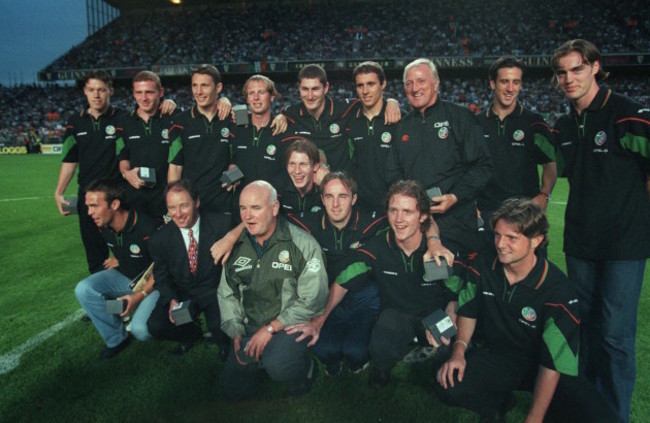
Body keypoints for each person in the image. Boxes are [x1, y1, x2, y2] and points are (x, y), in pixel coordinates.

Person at [551, 39, 650, 423]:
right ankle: (587, 410)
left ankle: (614, 416)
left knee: (615, 336)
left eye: (576, 69)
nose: (568, 79)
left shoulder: (626, 113)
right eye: (562, 73)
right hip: (579, 242)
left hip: (623, 245)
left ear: (595, 67)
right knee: (586, 331)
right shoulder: (564, 124)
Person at [301, 180, 458, 387]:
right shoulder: (376, 247)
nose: (399, 219)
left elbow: (455, 294)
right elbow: (343, 282)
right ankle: (381, 369)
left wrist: (449, 317)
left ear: (422, 216)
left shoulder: (437, 251)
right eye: (393, 210)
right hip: (396, 314)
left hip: (432, 313)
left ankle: (436, 365)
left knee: (450, 347)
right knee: (381, 345)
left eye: (407, 212)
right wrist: (319, 320)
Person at [217, 180, 328, 399]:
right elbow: (226, 292)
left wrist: (270, 329)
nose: (248, 216)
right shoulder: (237, 246)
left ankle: (305, 370)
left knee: (279, 366)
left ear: (275, 208)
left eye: (256, 208)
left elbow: (313, 299)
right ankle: (259, 362)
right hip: (250, 325)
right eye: (243, 208)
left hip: (287, 324)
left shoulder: (303, 244)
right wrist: (236, 332)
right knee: (232, 392)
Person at [386, 58, 492, 257]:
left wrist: (455, 196)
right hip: (414, 226)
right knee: (421, 283)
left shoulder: (460, 117)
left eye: (421, 81)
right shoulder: (402, 127)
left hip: (456, 222)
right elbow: (393, 174)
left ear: (435, 84)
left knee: (454, 282)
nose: (414, 88)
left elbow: (482, 165)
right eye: (409, 83)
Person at [285, 172, 387, 375]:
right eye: (329, 196)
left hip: (363, 297)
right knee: (324, 349)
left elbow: (408, 219)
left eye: (343, 196)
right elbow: (271, 219)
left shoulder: (371, 222)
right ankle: (332, 362)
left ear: (354, 199)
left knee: (355, 351)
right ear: (322, 199)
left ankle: (358, 361)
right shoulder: (311, 222)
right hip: (328, 297)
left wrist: (434, 239)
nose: (335, 204)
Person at [74, 178, 160, 360]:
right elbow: (127, 246)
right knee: (84, 290)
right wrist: (119, 258)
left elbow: (164, 268)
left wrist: (138, 297)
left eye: (95, 206)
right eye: (88, 206)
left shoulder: (147, 228)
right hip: (126, 278)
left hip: (154, 285)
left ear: (114, 204)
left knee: (141, 330)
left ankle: (171, 319)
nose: (90, 212)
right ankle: (116, 338)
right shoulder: (104, 225)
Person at [476, 56, 556, 250]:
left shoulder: (534, 121)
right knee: (487, 275)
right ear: (493, 83)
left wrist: (544, 194)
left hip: (525, 213)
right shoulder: (476, 123)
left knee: (530, 276)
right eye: (504, 81)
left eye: (516, 82)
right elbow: (466, 166)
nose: (510, 88)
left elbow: (550, 162)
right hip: (487, 212)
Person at [146, 179, 231, 357]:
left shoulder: (222, 224)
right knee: (156, 325)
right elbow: (161, 276)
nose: (178, 214)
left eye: (184, 205)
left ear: (197, 202)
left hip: (214, 291)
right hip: (183, 294)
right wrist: (171, 300)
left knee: (221, 329)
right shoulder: (160, 239)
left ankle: (222, 342)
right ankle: (191, 335)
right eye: (171, 208)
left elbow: (247, 225)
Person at [282, 64, 400, 172]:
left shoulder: (344, 109)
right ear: (299, 88)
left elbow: (370, 100)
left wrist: (392, 102)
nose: (310, 96)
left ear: (326, 87)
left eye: (315, 89)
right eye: (305, 89)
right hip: (309, 188)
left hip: (343, 188)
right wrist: (281, 116)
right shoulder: (291, 115)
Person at [167, 65, 233, 213]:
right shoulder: (179, 123)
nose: (198, 92)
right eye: (195, 86)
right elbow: (175, 167)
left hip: (225, 206)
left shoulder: (234, 118)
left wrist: (233, 175)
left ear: (219, 87)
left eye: (204, 86)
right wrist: (173, 205)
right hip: (192, 206)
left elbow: (246, 157)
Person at [116, 71, 179, 223]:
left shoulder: (174, 118)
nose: (144, 98)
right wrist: (127, 173)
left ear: (161, 92)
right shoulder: (123, 123)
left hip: (167, 201)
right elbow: (123, 158)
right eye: (139, 92)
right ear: (133, 93)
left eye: (149, 92)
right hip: (136, 200)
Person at [344, 61, 398, 214]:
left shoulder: (399, 120)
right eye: (360, 86)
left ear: (383, 84)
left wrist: (393, 102)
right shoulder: (348, 119)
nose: (365, 91)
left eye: (371, 84)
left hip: (393, 206)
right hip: (360, 207)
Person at [277, 138, 323, 216]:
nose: (297, 171)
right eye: (292, 164)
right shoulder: (277, 190)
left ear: (315, 166)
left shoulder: (325, 192)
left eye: (303, 164)